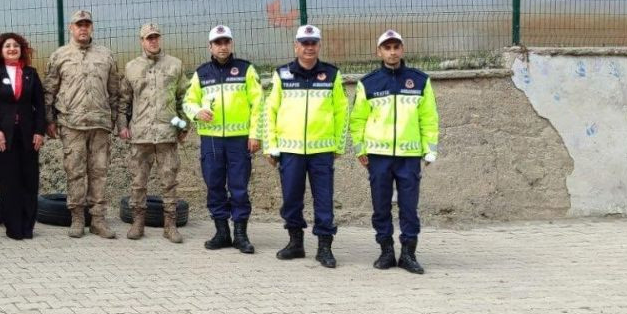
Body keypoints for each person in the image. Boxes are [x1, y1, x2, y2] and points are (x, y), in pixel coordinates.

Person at [348, 30, 440, 275]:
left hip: (409, 157)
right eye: (386, 48)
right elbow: (357, 120)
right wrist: (360, 149)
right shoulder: (368, 83)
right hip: (378, 156)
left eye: (396, 47)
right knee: (381, 206)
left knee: (409, 207)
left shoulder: (420, 80)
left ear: (402, 50)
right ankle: (386, 251)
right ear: (379, 52)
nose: (392, 52)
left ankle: (408, 254)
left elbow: (429, 118)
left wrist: (430, 150)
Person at [264, 24, 348, 269]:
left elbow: (342, 111)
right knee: (291, 198)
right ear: (296, 46)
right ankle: (295, 243)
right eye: (304, 43)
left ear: (319, 46)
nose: (308, 48)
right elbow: (270, 111)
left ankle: (324, 248)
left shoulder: (332, 74)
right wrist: (270, 145)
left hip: (322, 150)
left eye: (313, 43)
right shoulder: (282, 74)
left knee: (324, 199)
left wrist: (338, 146)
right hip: (290, 150)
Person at [183, 24, 263, 253]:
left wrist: (256, 134)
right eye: (218, 43)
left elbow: (258, 105)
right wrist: (196, 112)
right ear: (210, 46)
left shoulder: (246, 70)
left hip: (239, 139)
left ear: (231, 44)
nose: (223, 46)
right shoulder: (201, 73)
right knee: (215, 185)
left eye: (226, 42)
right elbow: (188, 102)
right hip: (211, 140)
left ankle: (240, 235)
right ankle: (221, 232)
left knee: (239, 187)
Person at [44, 9, 121, 238]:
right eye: (79, 25)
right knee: (75, 172)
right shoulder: (60, 56)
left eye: (87, 24)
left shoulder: (105, 55)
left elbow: (114, 91)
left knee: (99, 172)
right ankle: (77, 218)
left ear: (92, 27)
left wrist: (115, 120)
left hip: (99, 124)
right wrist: (49, 120)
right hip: (72, 124)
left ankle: (98, 220)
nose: (83, 28)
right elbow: (49, 91)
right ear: (71, 28)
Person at [118, 23, 188, 243]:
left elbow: (183, 97)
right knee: (138, 182)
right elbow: (124, 101)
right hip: (141, 136)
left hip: (167, 134)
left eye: (156, 37)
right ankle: (138, 223)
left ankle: (170, 225)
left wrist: (184, 124)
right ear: (142, 41)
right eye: (149, 38)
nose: (153, 41)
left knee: (169, 181)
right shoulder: (131, 67)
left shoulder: (175, 65)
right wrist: (123, 125)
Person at [0, 32, 45, 241]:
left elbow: (40, 106)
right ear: (0, 50)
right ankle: (13, 226)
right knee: (9, 181)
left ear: (22, 50)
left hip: (28, 136)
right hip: (3, 137)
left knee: (29, 180)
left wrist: (39, 131)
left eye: (16, 46)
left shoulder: (31, 73)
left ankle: (28, 226)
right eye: (7, 46)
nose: (12, 49)